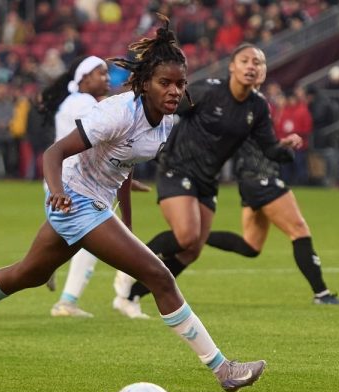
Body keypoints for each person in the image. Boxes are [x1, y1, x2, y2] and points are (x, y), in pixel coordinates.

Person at [0, 17, 267, 392]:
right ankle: (223, 370)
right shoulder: (117, 112)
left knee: (28, 274)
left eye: (180, 84)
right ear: (144, 83)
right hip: (74, 199)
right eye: (165, 82)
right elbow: (54, 153)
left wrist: (126, 216)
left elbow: (124, 166)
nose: (174, 91)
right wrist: (56, 191)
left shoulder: (165, 123)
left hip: (95, 201)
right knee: (160, 277)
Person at [113, 43, 300, 317]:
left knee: (192, 251)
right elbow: (165, 108)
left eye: (258, 62)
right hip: (178, 168)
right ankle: (129, 266)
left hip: (208, 180)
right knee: (186, 236)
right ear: (232, 66)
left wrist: (286, 148)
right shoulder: (208, 91)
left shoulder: (258, 107)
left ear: (263, 71)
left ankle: (131, 296)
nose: (251, 66)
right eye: (245, 60)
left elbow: (269, 149)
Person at [199, 61, 339, 306]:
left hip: (250, 179)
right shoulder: (248, 104)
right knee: (299, 229)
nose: (256, 69)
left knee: (251, 245)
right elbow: (256, 144)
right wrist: (282, 149)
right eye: (250, 64)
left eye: (259, 65)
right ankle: (322, 294)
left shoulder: (253, 103)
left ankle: (194, 236)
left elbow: (257, 142)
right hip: (262, 177)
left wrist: (281, 144)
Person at [37, 54, 112, 316]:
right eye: (101, 73)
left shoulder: (73, 101)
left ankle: (45, 266)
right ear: (84, 78)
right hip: (75, 184)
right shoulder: (84, 103)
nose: (107, 78)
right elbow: (100, 139)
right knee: (95, 238)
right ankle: (66, 302)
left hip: (64, 180)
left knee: (67, 240)